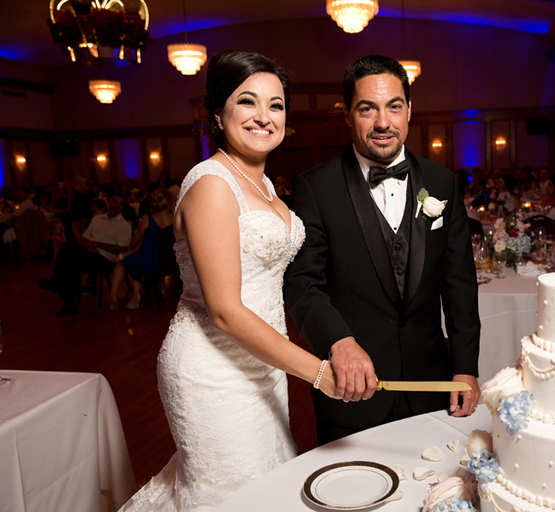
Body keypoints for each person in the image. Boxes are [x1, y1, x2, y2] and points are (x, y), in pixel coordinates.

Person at [118, 50, 341, 512]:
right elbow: (223, 310)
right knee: (235, 497)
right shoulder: (212, 185)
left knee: (269, 486)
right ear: (218, 114)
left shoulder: (265, 186)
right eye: (247, 101)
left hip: (261, 359)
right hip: (213, 370)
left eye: (276, 105)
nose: (264, 116)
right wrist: (318, 372)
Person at [284, 55, 481, 445]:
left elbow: (459, 283)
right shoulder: (315, 188)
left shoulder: (443, 182)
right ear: (347, 115)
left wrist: (465, 367)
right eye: (367, 109)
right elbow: (303, 285)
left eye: (394, 106)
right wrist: (339, 342)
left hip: (433, 387)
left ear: (409, 110)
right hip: (352, 392)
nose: (382, 123)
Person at [108, 188, 174, 310]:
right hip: (169, 262)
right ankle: (138, 292)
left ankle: (125, 294)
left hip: (149, 262)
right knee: (132, 258)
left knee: (124, 262)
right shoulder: (175, 219)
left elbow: (135, 240)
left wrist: (128, 250)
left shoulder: (147, 219)